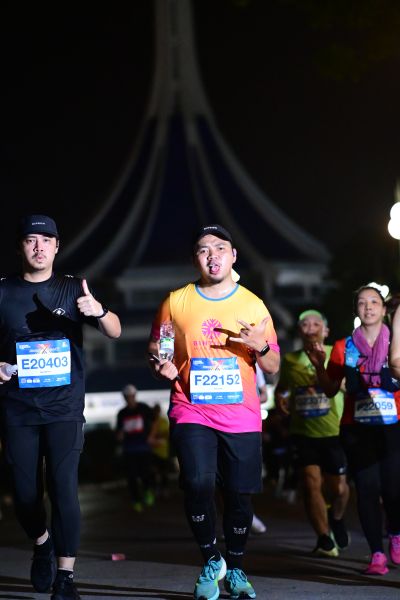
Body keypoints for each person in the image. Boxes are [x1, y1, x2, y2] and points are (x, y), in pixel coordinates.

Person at [147, 224, 280, 600]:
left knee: (239, 495)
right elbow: (160, 348)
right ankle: (211, 559)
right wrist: (161, 364)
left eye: (220, 248)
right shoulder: (176, 302)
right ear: (195, 259)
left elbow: (272, 366)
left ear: (233, 256)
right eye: (204, 249)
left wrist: (261, 347)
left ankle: (235, 568)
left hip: (241, 413)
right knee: (197, 482)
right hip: (191, 408)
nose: (213, 255)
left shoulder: (253, 305)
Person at [0, 214, 121, 600]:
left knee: (64, 489)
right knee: (24, 495)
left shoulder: (73, 288)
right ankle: (42, 542)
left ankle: (66, 577)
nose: (38, 247)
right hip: (17, 409)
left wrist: (98, 311)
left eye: (46, 240)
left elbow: (115, 330)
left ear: (57, 247)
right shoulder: (3, 291)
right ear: (20, 247)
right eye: (30, 240)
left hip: (64, 408)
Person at [308, 284, 400, 575]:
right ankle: (376, 554)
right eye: (362, 302)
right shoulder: (343, 346)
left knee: (393, 488)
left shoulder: (396, 343)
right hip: (356, 428)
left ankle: (395, 534)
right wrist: (319, 366)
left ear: (384, 310)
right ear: (355, 310)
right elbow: (330, 389)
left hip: (393, 426)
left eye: (374, 302)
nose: (368, 307)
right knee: (367, 489)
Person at [275, 310, 349, 557]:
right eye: (305, 324)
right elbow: (283, 388)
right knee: (310, 483)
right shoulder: (290, 360)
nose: (311, 327)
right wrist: (281, 398)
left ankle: (336, 518)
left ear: (326, 331)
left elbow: (348, 385)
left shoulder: (336, 353)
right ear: (299, 330)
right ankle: (323, 537)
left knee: (339, 489)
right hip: (303, 431)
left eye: (317, 323)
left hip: (334, 430)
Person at [116, 384, 156, 511]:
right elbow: (119, 431)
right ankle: (136, 500)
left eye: (131, 396)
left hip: (144, 447)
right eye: (127, 396)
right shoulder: (122, 413)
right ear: (124, 397)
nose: (129, 398)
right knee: (131, 477)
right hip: (129, 449)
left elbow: (154, 421)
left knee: (146, 473)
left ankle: (148, 492)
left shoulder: (143, 408)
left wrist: (151, 436)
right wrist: (120, 435)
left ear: (135, 395)